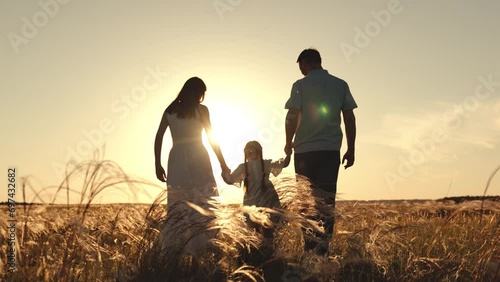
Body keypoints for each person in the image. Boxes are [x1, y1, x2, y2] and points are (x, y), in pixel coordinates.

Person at [284, 49, 358, 255]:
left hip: (304, 153)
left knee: (306, 203)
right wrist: (351, 149)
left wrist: (288, 142)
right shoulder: (340, 84)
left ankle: (309, 248)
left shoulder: (299, 86)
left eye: (301, 66)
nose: (300, 71)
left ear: (306, 63)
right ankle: (323, 250)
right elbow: (349, 118)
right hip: (329, 152)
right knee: (326, 203)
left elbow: (291, 116)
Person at [154, 76, 230, 255]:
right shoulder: (202, 110)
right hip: (198, 156)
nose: (201, 97)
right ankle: (204, 247)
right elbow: (212, 138)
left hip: (177, 159)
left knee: (178, 204)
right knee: (203, 200)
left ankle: (177, 250)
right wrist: (223, 164)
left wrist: (157, 163)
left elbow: (158, 138)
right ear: (197, 93)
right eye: (201, 93)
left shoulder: (170, 109)